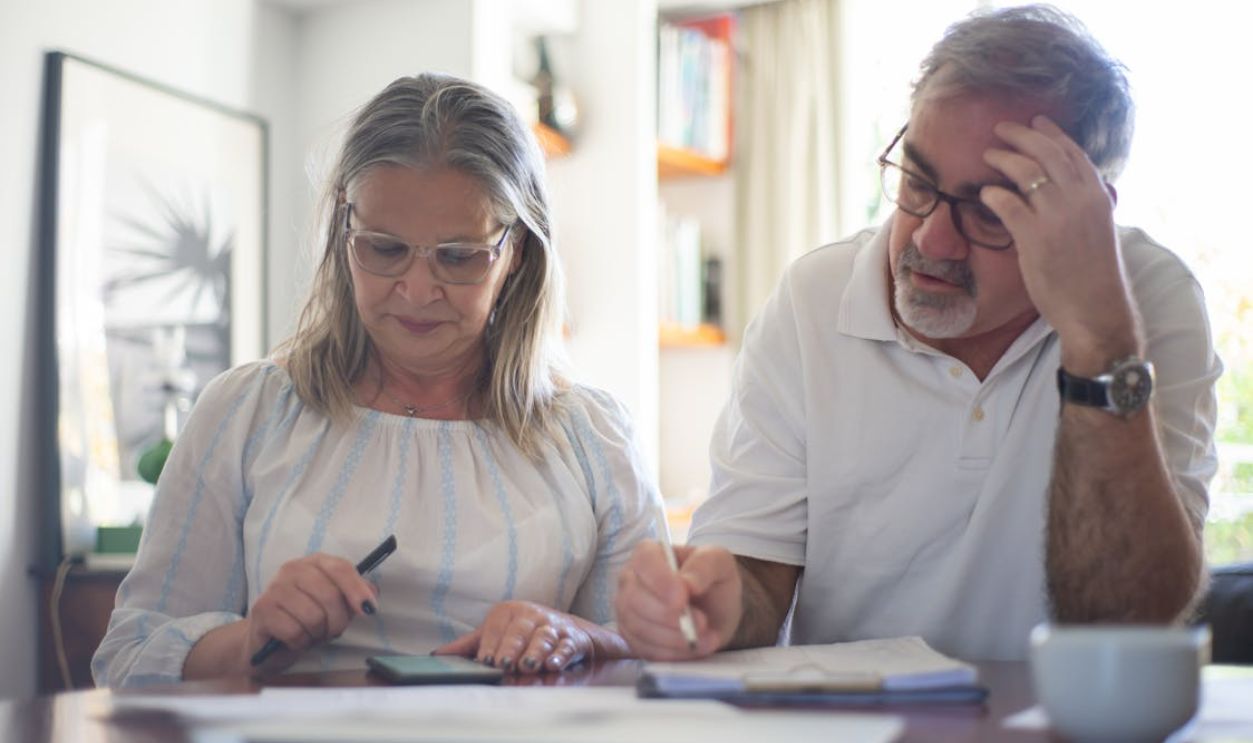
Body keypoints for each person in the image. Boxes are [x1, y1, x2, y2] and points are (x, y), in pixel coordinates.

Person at [616, 4, 1221, 662]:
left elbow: (1127, 614)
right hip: (853, 712)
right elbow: (757, 577)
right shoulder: (812, 299)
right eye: (916, 181)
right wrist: (717, 605)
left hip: (1062, 713)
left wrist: (1099, 338)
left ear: (1082, 213)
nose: (931, 239)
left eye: (989, 210)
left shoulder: (1146, 299)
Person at [93, 73, 661, 688]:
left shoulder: (593, 438)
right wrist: (253, 640)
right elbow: (127, 660)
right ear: (344, 229)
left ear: (516, 250)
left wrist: (581, 637)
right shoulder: (246, 414)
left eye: (459, 256)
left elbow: (663, 657)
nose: (416, 291)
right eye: (384, 249)